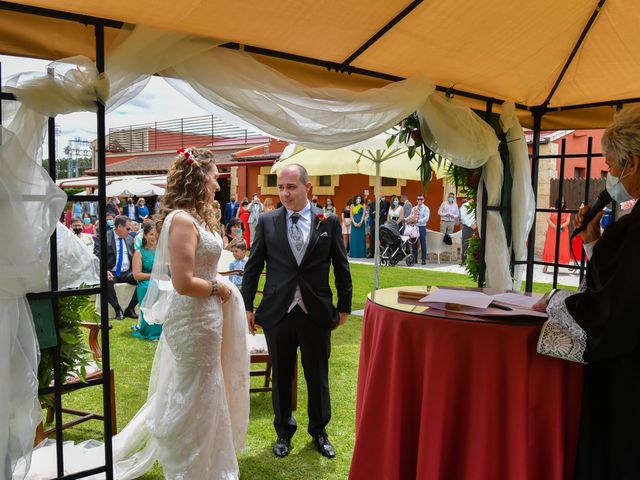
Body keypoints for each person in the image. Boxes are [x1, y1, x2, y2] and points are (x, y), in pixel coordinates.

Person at [532, 108, 640, 480]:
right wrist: (594, 241)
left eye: (611, 166)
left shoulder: (636, 229)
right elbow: (622, 280)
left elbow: (614, 311)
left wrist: (555, 304)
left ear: (634, 163)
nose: (609, 175)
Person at [241, 163, 352, 460]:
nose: (285, 193)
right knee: (281, 376)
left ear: (308, 188)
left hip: (315, 310)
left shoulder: (327, 221)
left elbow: (342, 267)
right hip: (279, 311)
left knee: (317, 374)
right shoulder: (266, 221)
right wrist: (247, 306)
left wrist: (343, 307)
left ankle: (319, 431)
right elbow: (253, 267)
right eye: (281, 187)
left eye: (291, 187)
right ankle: (283, 432)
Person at [94, 215, 138, 320]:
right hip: (111, 272)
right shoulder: (104, 237)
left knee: (144, 280)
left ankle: (130, 308)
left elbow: (134, 256)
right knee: (106, 281)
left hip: (127, 272)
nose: (130, 231)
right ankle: (117, 308)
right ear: (119, 227)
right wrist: (104, 270)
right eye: (128, 228)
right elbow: (96, 256)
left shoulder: (130, 239)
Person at [131, 222, 161, 341]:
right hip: (146, 284)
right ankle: (151, 331)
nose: (154, 237)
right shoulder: (139, 252)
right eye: (152, 234)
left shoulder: (162, 251)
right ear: (145, 235)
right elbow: (136, 275)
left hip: (163, 283)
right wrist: (155, 276)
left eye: (157, 234)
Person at [541, 200, 571, 273]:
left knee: (560, 248)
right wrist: (555, 227)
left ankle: (556, 266)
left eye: (563, 202)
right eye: (561, 202)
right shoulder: (552, 209)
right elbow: (548, 219)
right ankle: (546, 264)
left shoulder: (567, 211)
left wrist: (560, 226)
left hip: (562, 232)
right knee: (550, 247)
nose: (562, 203)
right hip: (552, 231)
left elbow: (567, 221)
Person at [408, 194, 430, 264]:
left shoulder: (426, 208)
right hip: (414, 227)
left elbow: (426, 218)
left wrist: (418, 221)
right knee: (414, 243)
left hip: (422, 227)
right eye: (418, 199)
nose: (419, 200)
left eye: (421, 199)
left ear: (423, 200)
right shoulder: (414, 208)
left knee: (423, 243)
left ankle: (423, 259)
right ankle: (415, 259)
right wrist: (409, 219)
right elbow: (411, 215)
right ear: (416, 200)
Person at [460, 197, 476, 264]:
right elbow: (463, 217)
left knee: (475, 244)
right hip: (467, 227)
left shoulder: (477, 205)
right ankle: (463, 260)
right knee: (465, 243)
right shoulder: (464, 205)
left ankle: (474, 261)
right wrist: (470, 225)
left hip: (477, 227)